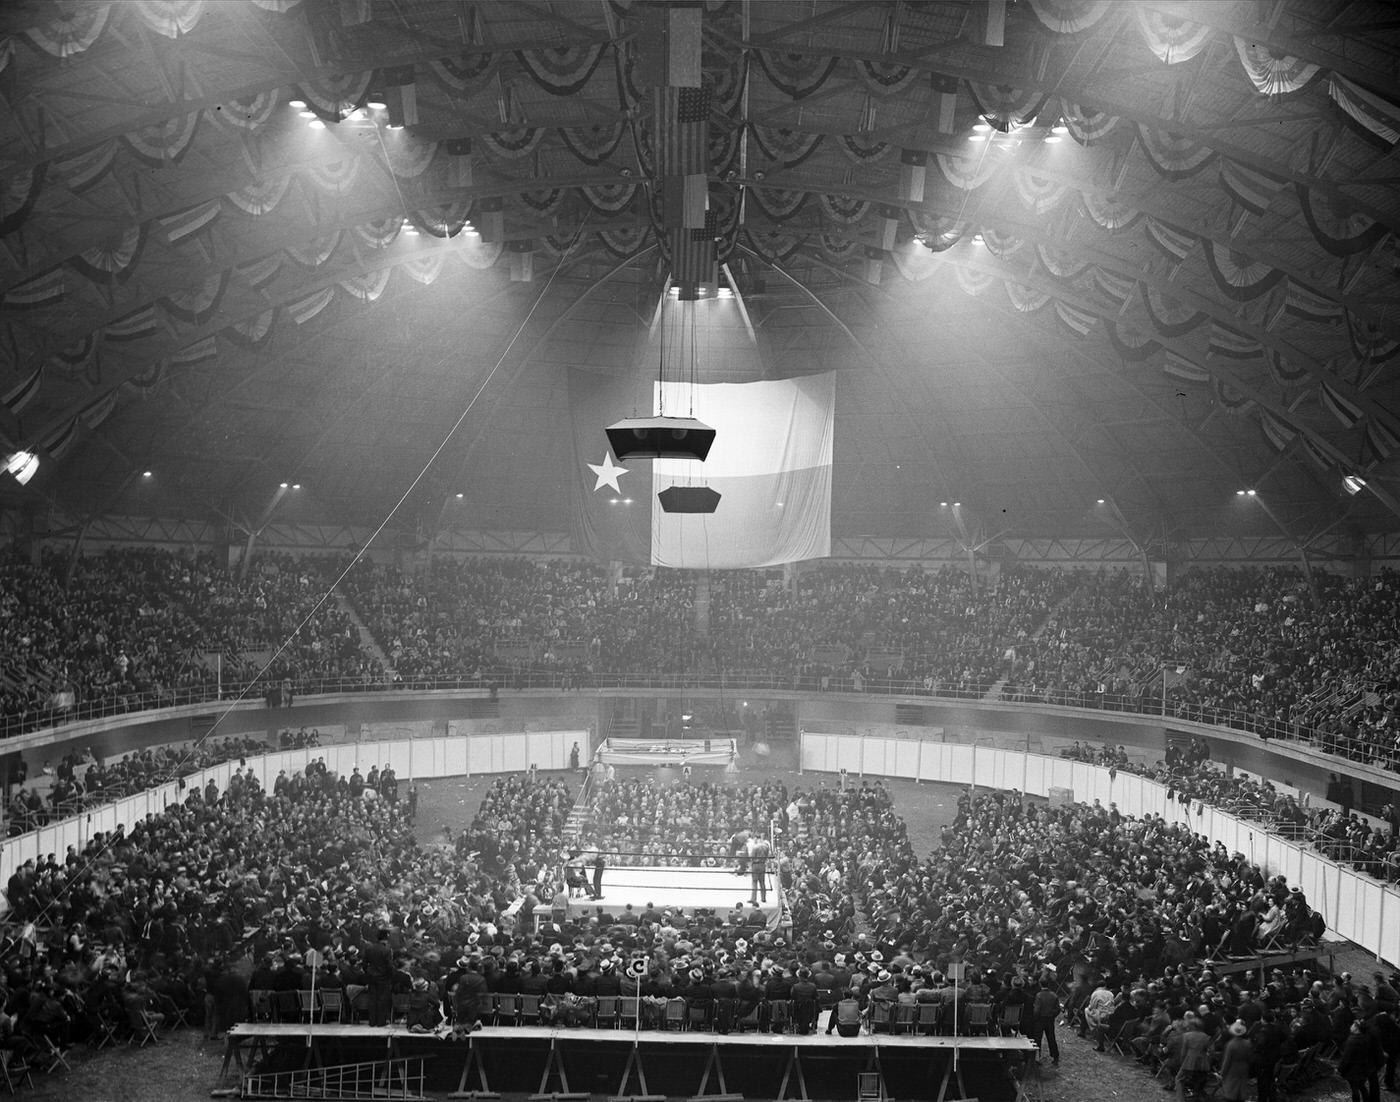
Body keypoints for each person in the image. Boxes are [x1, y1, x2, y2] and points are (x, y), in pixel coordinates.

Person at [363, 929, 395, 1027]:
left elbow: (364, 964)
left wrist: (368, 972)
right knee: (382, 1000)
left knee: (372, 999)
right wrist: (392, 974)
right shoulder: (387, 950)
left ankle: (372, 1021)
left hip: (372, 977)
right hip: (383, 978)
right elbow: (389, 965)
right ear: (386, 938)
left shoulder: (369, 948)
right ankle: (381, 1022)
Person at [1216, 1020, 1253, 1102]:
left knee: (1231, 1089)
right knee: (1242, 1087)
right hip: (1244, 1067)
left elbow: (1227, 1061)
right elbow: (1250, 1057)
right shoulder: (1248, 1043)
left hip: (1233, 1068)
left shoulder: (1231, 1045)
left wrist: (1222, 1073)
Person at [1030, 977, 1060, 1066]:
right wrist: (1052, 1015)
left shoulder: (1039, 995)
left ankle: (1037, 1057)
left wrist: (1035, 1019)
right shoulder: (1054, 995)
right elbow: (1058, 1009)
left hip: (1040, 1019)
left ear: (1040, 985)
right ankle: (1055, 1056)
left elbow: (1036, 1010)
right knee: (1051, 1038)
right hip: (1050, 1019)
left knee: (1037, 1038)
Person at [749, 835, 770, 905]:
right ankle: (763, 898)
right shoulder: (766, 847)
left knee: (754, 882)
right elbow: (767, 856)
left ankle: (753, 899)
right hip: (762, 865)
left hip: (755, 865)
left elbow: (751, 857)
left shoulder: (755, 847)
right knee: (762, 882)